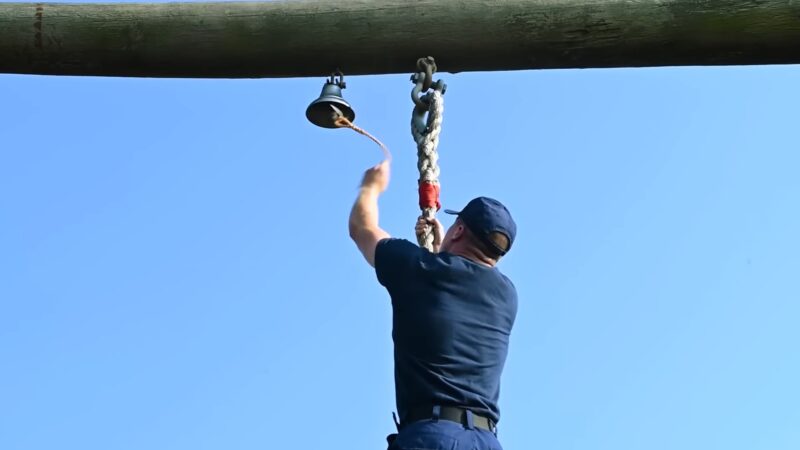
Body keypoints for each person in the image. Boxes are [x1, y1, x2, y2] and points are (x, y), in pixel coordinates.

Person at [348, 159, 518, 450]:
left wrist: (370, 187)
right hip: (486, 442)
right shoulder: (507, 296)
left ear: (459, 231)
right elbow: (452, 289)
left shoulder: (418, 269)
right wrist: (441, 251)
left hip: (432, 438)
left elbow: (361, 228)